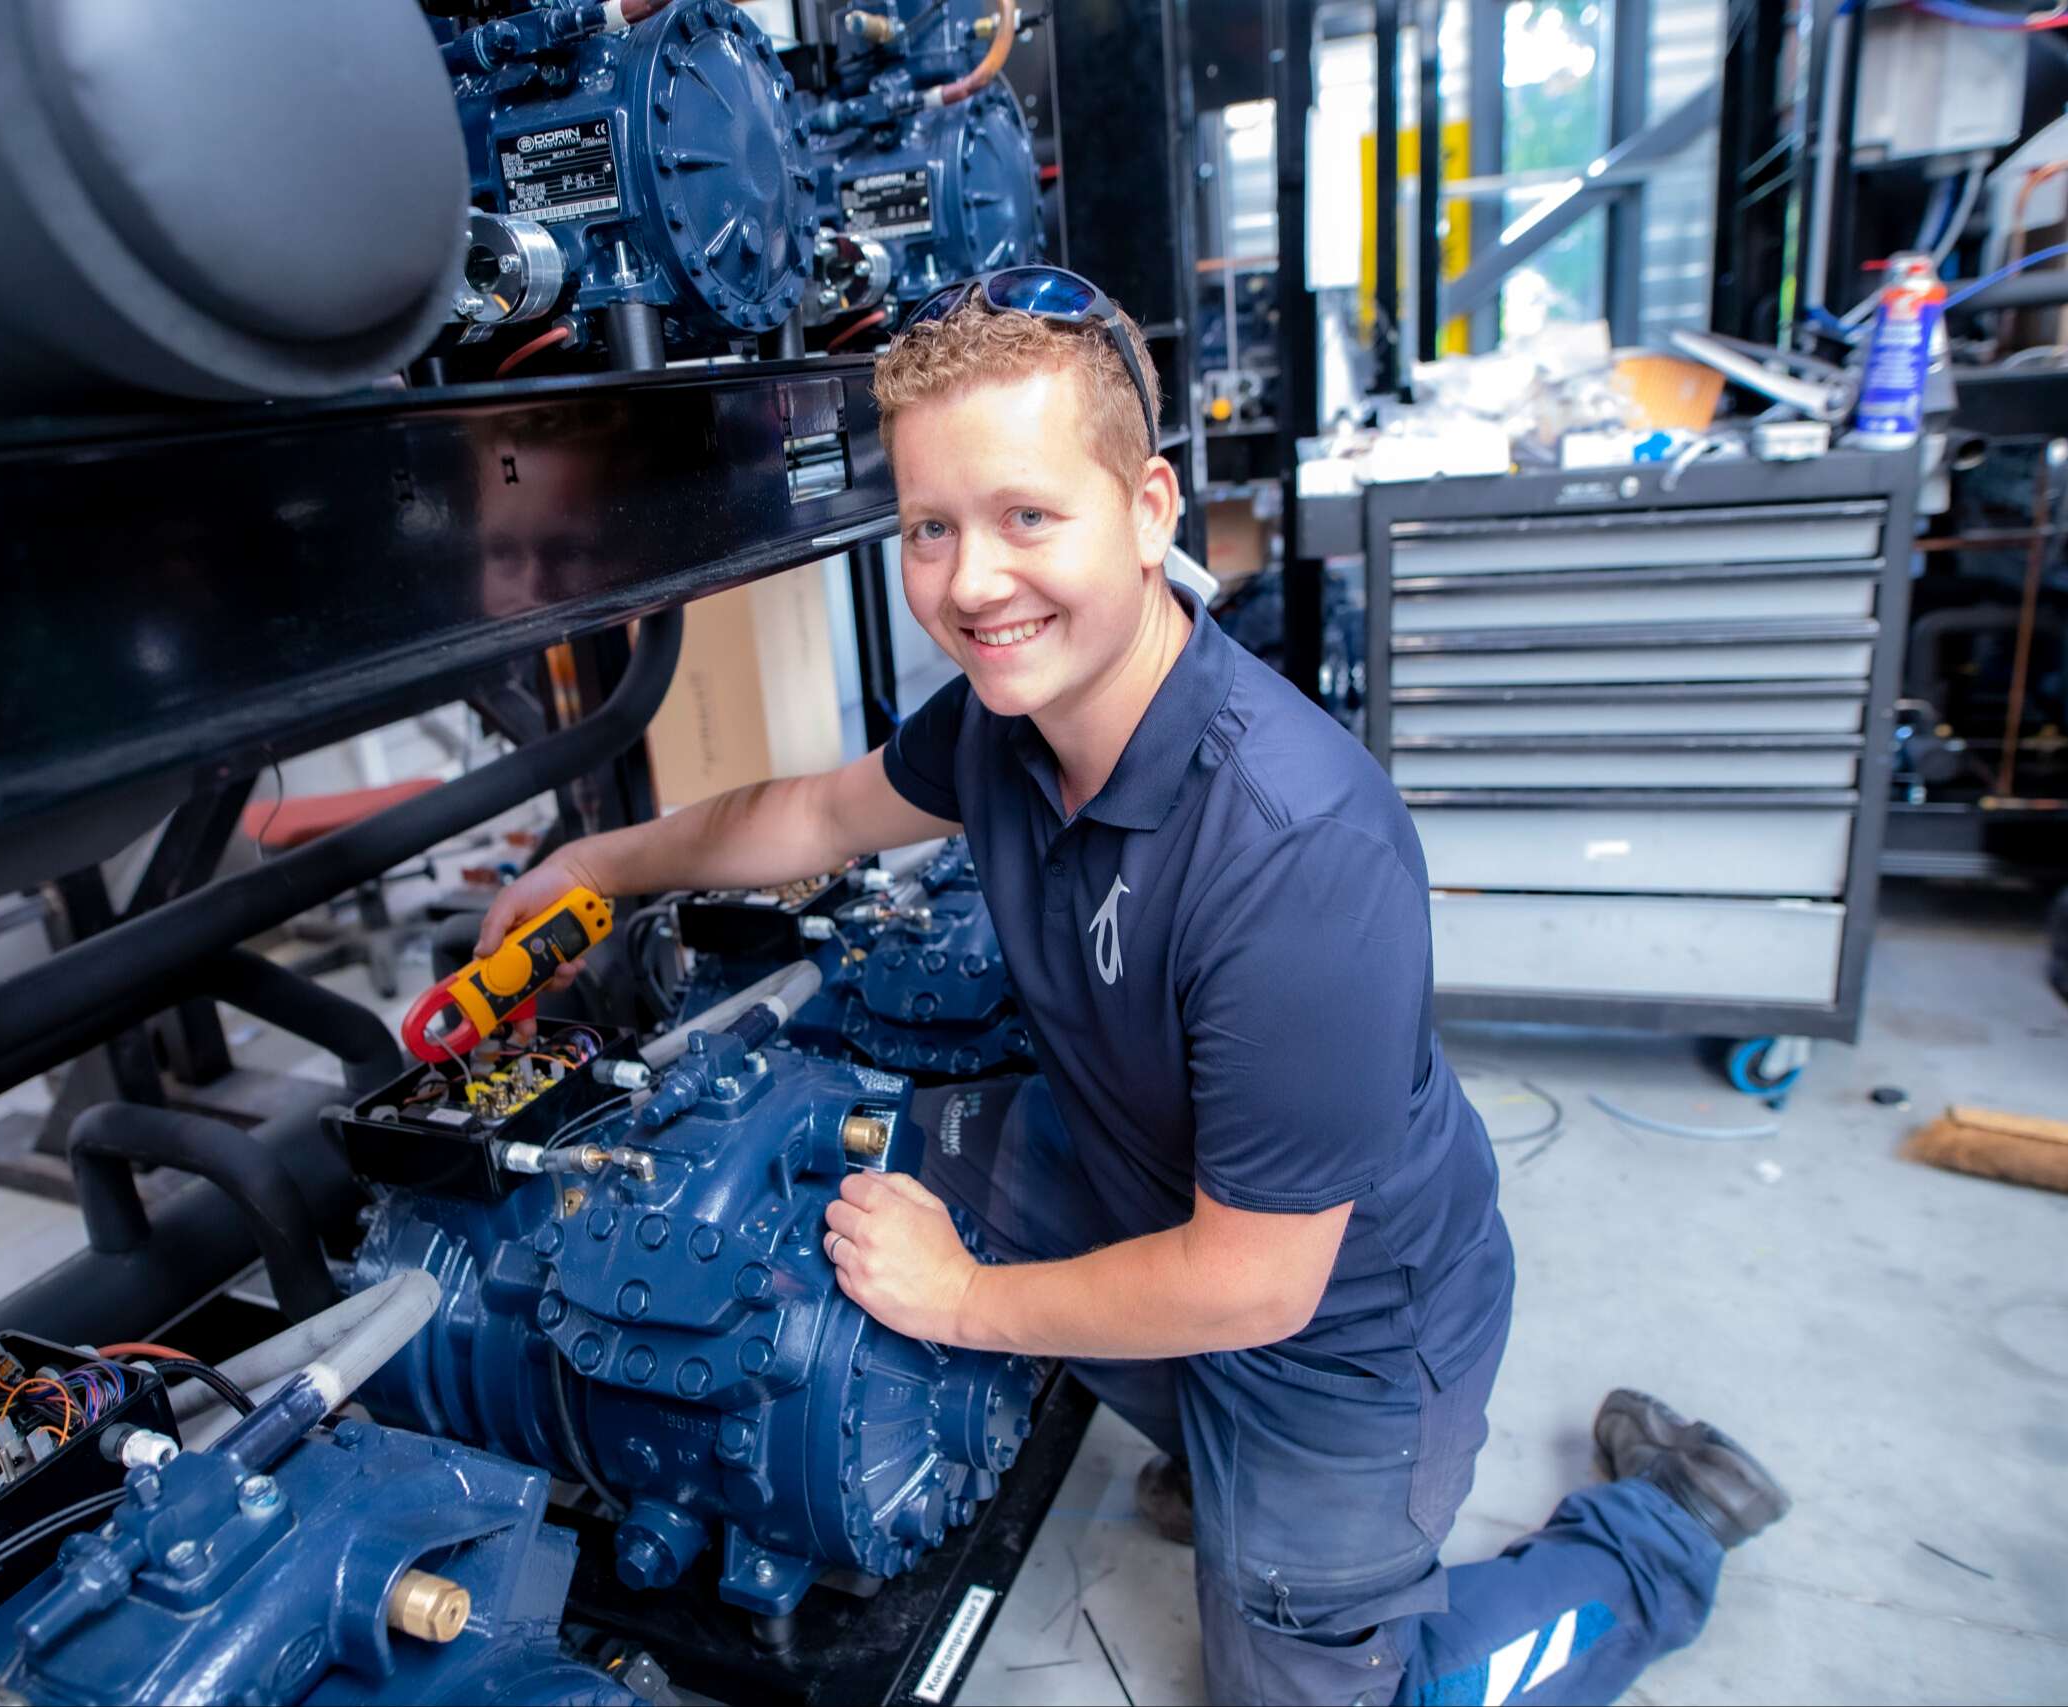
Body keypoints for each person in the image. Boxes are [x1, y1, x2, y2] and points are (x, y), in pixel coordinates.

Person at [475, 267, 1789, 1705]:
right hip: (1129, 1172)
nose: (971, 583)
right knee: (816, 1159)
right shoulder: (1004, 723)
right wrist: (604, 858)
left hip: (1334, 1329)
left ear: (1151, 509)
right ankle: (1191, 1437)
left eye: (1029, 516)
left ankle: (1659, 1530)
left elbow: (1256, 1281)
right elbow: (810, 818)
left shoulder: (1297, 851)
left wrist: (965, 1300)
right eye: (930, 529)